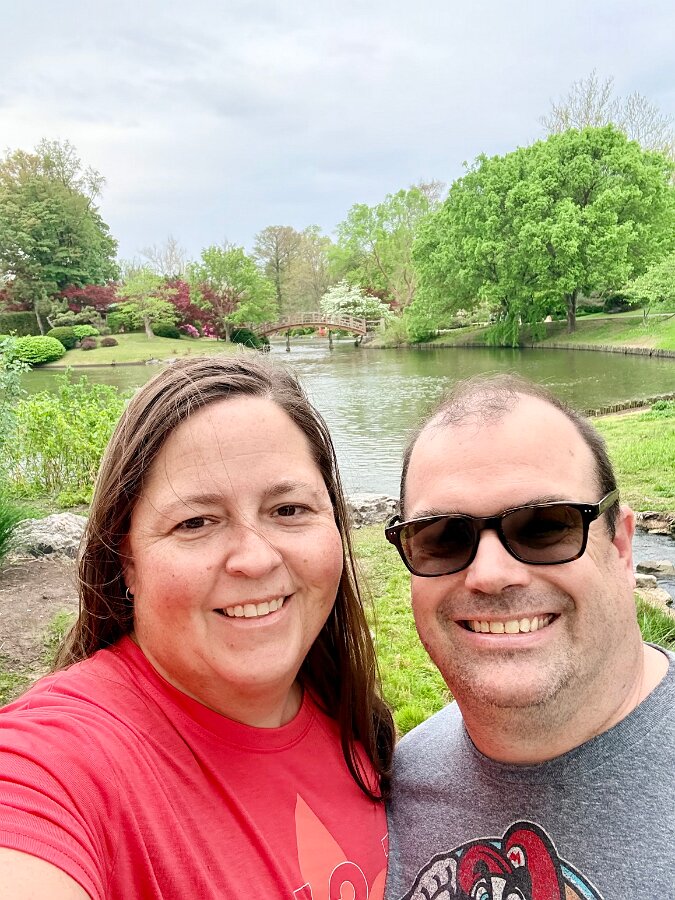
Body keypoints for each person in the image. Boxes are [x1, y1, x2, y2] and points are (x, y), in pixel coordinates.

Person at [0, 355, 394, 899]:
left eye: (288, 509)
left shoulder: (348, 717)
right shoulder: (55, 763)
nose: (255, 559)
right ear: (127, 560)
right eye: (195, 522)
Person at [383, 374, 675, 900]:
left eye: (544, 526)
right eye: (443, 537)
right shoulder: (394, 790)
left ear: (622, 547)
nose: (490, 574)